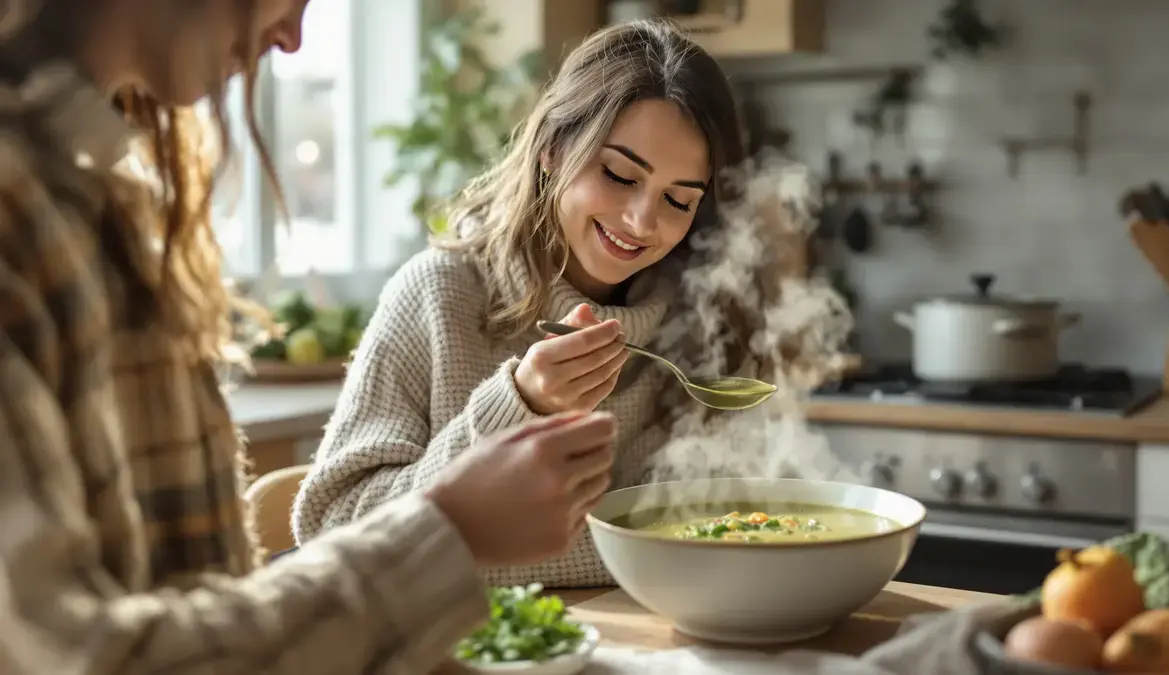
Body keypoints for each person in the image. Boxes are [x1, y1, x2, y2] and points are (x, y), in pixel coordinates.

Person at [0, 0, 617, 673]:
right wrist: (449, 527)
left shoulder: (104, 199)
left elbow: (203, 618)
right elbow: (79, 654)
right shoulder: (21, 214)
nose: (293, 38)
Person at [293, 19, 746, 587]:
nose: (641, 222)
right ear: (554, 148)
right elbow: (332, 534)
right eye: (618, 174)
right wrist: (520, 404)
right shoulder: (439, 294)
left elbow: (720, 531)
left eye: (678, 202)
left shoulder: (699, 327)